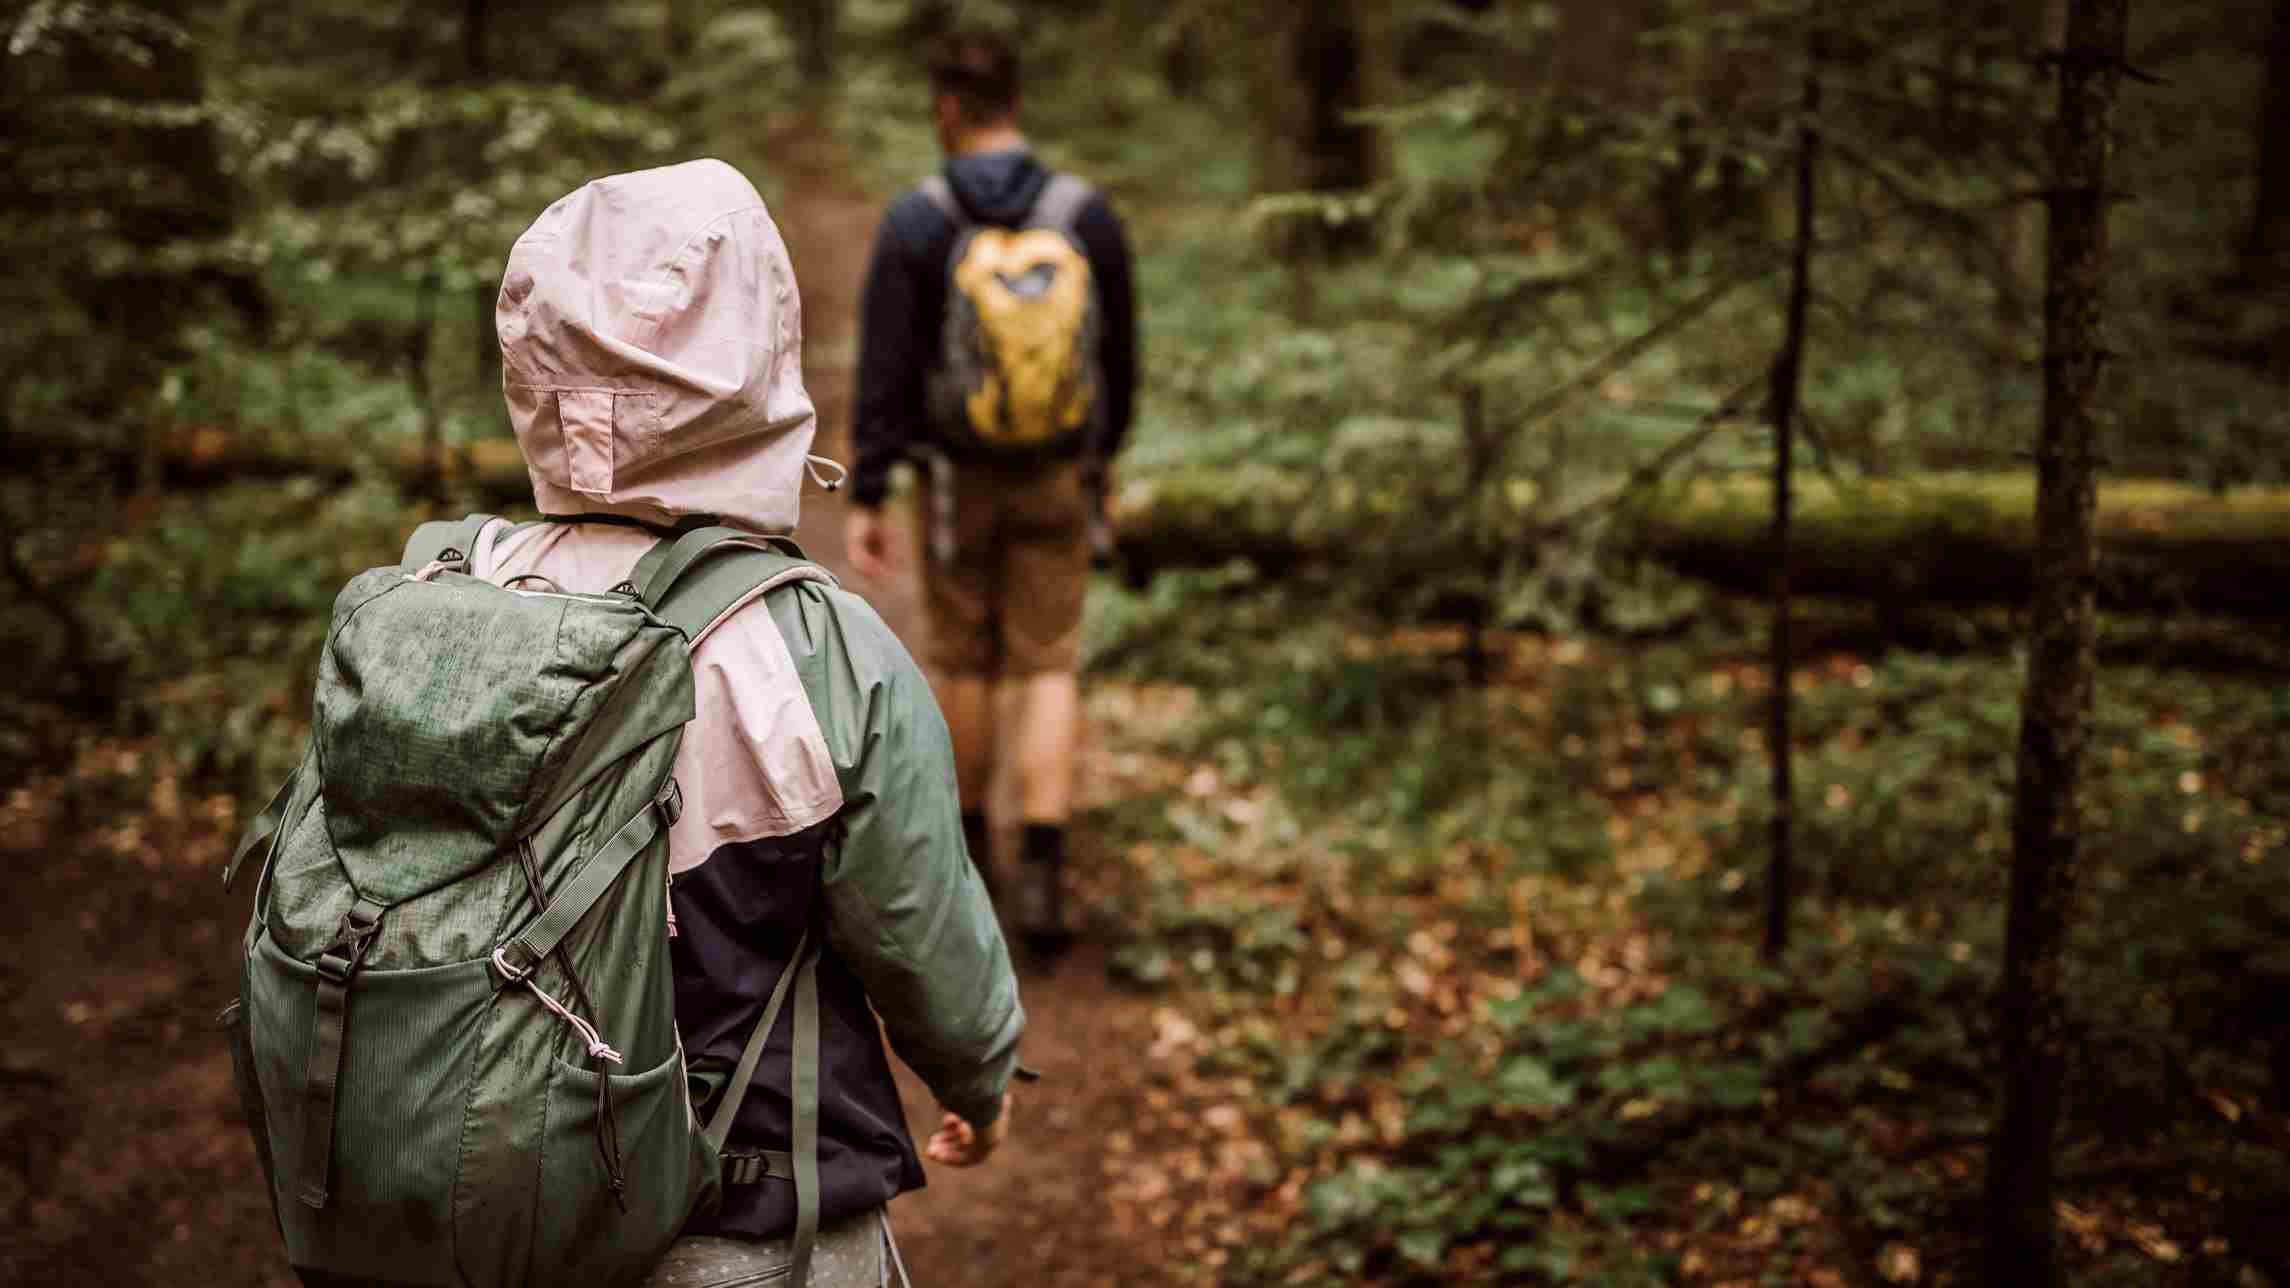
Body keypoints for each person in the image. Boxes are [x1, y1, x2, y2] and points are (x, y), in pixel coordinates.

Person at [481, 158, 1025, 1285]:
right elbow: (917, 920)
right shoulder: (803, 644)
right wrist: (980, 1078)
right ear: (756, 354)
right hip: (737, 1227)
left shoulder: (449, 593)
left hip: (476, 1200)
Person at [846, 29, 1138, 961]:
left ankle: (973, 862)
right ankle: (1047, 871)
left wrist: (871, 485)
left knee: (966, 658)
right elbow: (1121, 357)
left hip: (953, 481)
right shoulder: (1084, 215)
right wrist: (1102, 458)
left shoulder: (919, 222)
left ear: (947, 107)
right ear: (1015, 101)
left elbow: (887, 364)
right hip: (1057, 469)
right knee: (1047, 661)